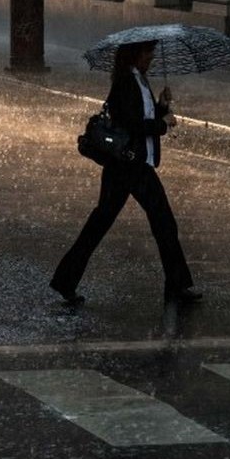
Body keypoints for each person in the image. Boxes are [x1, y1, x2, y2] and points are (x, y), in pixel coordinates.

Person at [50, 40, 203, 305]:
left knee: (102, 223)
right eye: (148, 52)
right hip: (131, 166)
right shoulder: (126, 82)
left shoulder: (138, 80)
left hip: (125, 166)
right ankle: (178, 285)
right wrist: (162, 124)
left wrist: (161, 105)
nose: (152, 57)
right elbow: (132, 123)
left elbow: (141, 114)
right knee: (163, 222)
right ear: (135, 54)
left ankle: (65, 281)